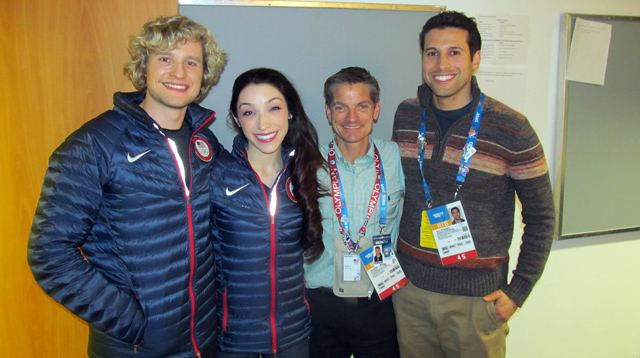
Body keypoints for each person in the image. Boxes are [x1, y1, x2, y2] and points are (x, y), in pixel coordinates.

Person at [27, 15, 226, 357]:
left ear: (203, 74)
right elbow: (50, 253)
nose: (179, 73)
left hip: (202, 341)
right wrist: (132, 323)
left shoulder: (204, 141)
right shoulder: (95, 145)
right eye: (165, 59)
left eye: (190, 62)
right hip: (134, 346)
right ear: (143, 67)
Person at [392, 11, 555, 358]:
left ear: (475, 59)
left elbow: (542, 217)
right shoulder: (405, 115)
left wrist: (518, 290)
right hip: (410, 294)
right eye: (431, 52)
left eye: (454, 52)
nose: (441, 63)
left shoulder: (512, 128)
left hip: (475, 302)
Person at [210, 68, 324, 357]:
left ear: (290, 112)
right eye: (249, 112)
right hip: (235, 339)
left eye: (274, 108)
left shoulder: (305, 172)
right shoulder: (217, 175)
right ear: (236, 119)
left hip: (294, 335)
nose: (263, 123)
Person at [304, 66, 405, 358]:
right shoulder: (306, 164)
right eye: (341, 107)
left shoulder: (396, 157)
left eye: (362, 106)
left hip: (378, 303)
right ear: (327, 111)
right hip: (320, 306)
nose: (351, 118)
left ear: (376, 110)